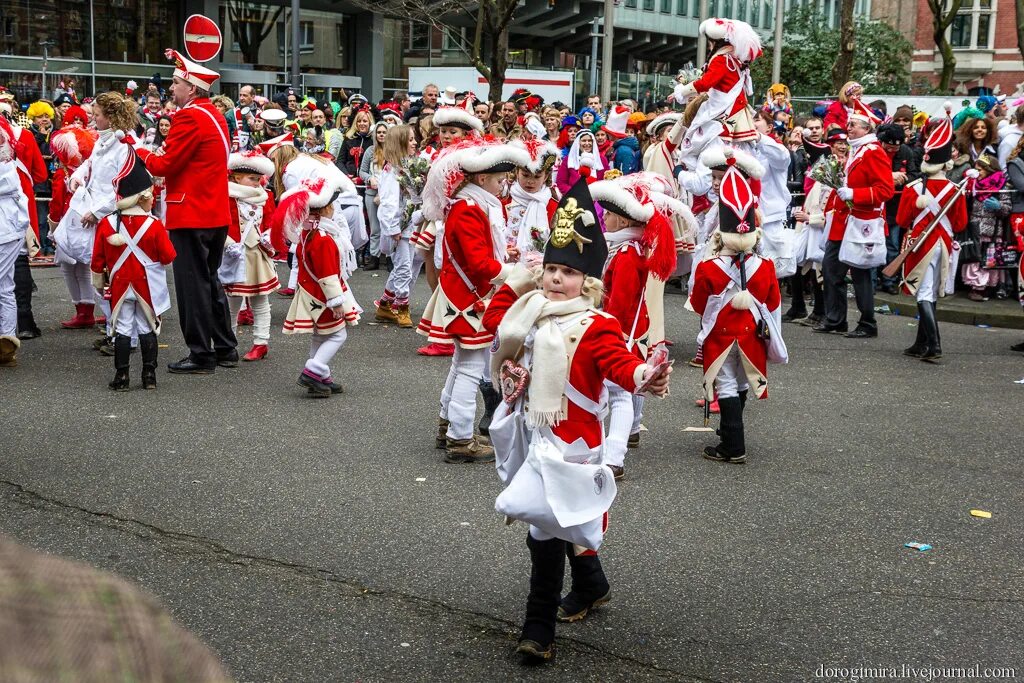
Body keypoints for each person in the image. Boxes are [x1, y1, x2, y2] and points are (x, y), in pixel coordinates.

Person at [482, 179, 672, 665]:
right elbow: (493, 325)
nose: (553, 279)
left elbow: (619, 366)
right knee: (561, 521)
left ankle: (537, 628)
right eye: (549, 269)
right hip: (530, 433)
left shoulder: (597, 324)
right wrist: (518, 282)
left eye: (565, 272)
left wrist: (644, 374)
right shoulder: (530, 310)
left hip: (570, 444)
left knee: (544, 531)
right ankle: (592, 584)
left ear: (586, 282)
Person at [416, 137, 528, 462]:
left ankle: (447, 424)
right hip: (468, 297)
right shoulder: (469, 208)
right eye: (500, 179)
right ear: (481, 179)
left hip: (463, 293)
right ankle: (461, 438)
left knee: (460, 363)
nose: (504, 184)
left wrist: (504, 257)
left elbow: (476, 255)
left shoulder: (471, 204)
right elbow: (479, 264)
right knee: (469, 366)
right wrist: (515, 272)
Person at [136, 49, 236, 374]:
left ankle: (201, 354)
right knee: (210, 282)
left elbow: (165, 164)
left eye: (176, 82)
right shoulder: (214, 114)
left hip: (191, 213)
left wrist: (138, 149)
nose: (172, 88)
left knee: (193, 287)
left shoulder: (189, 116)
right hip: (214, 212)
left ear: (191, 88)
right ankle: (224, 347)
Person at [690, 164, 786, 464]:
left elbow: (696, 302)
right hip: (752, 334)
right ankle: (731, 432)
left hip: (720, 336)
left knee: (727, 384)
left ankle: (733, 444)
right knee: (743, 383)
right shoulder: (766, 265)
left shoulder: (708, 267)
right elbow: (771, 301)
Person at [589, 176, 677, 478]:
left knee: (618, 393)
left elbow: (621, 303)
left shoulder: (626, 254)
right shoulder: (629, 247)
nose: (604, 218)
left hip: (621, 331)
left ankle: (614, 457)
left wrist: (606, 333)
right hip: (633, 331)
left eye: (609, 215)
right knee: (632, 386)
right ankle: (633, 429)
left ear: (624, 218)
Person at [90, 151, 176, 390]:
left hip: (119, 284)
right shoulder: (154, 224)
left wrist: (99, 281)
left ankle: (122, 377)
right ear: (141, 198)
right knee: (148, 327)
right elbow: (168, 256)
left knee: (124, 329)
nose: (153, 200)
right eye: (151, 196)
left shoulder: (107, 223)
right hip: (147, 285)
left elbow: (97, 260)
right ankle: (149, 376)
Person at [274, 174, 362, 397]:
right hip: (322, 296)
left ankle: (322, 377)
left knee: (320, 335)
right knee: (337, 335)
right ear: (324, 210)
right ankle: (313, 372)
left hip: (310, 293)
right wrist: (336, 301)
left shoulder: (308, 232)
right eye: (332, 205)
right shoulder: (323, 237)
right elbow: (328, 275)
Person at [815, 99, 894, 338]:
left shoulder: (874, 152)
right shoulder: (857, 150)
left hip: (861, 222)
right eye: (849, 124)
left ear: (867, 128)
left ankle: (868, 322)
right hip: (844, 221)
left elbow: (885, 190)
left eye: (855, 125)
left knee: (860, 275)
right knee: (831, 270)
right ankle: (836, 318)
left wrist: (855, 194)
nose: (849, 128)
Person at [894, 117, 968, 363]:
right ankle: (921, 342)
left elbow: (903, 220)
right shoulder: (955, 190)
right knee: (931, 293)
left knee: (923, 293)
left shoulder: (913, 188)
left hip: (921, 244)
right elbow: (960, 225)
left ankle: (934, 344)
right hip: (944, 245)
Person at [671, 18, 762, 167]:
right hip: (732, 108)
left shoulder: (722, 59)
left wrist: (681, 91)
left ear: (714, 42)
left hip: (722, 110)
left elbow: (706, 83)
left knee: (704, 145)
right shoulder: (734, 59)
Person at [218, 151, 280, 362]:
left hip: (257, 254)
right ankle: (228, 342)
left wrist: (269, 235)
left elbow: (271, 222)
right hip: (234, 253)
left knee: (260, 301)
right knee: (231, 301)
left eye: (258, 179)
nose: (257, 182)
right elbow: (221, 223)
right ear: (236, 177)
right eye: (251, 178)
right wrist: (227, 243)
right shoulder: (224, 196)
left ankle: (261, 343)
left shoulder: (266, 196)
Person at [47, 125, 102, 330]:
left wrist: (52, 230)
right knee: (86, 268)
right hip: (87, 222)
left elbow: (55, 204)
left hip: (66, 224)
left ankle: (83, 312)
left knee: (69, 269)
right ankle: (89, 310)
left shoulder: (63, 175)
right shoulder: (90, 171)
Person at [374, 125, 420, 328]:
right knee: (403, 268)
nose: (415, 143)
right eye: (410, 140)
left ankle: (385, 304)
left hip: (408, 225)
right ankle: (402, 308)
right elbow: (389, 202)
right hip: (399, 228)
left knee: (408, 266)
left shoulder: (406, 166)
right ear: (400, 143)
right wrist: (393, 229)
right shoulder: (392, 171)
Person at [876, 122, 920, 294]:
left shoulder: (906, 152)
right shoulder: (876, 151)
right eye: (889, 147)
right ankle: (872, 281)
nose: (893, 150)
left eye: (896, 147)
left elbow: (915, 175)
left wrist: (903, 179)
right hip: (877, 206)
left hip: (895, 207)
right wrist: (888, 177)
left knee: (892, 246)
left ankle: (889, 281)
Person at [961, 153, 1011, 300]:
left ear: (989, 169)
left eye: (980, 170)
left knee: (988, 262)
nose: (978, 173)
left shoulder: (1001, 184)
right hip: (975, 229)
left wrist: (998, 206)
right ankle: (976, 287)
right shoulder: (973, 185)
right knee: (974, 261)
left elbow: (1007, 209)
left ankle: (986, 288)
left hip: (993, 231)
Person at [0, 116, 29, 367]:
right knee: (5, 285)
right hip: (8, 231)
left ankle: (7, 341)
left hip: (7, 232)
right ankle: (7, 342)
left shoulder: (7, 169)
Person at [503, 138, 560, 264]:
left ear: (545, 176)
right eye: (525, 175)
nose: (530, 181)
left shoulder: (553, 206)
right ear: (517, 172)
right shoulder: (505, 201)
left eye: (537, 176)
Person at [359, 121, 390, 271]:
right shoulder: (370, 151)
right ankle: (374, 258)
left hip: (389, 195)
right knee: (375, 228)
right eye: (379, 132)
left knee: (389, 226)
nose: (382, 135)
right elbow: (362, 171)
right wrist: (369, 178)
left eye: (384, 132)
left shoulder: (393, 150)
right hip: (372, 193)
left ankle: (390, 258)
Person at [555, 130, 606, 195]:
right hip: (574, 198)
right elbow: (561, 182)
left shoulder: (602, 160)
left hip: (597, 199)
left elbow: (605, 181)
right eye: (584, 141)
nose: (587, 143)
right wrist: (574, 194)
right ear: (578, 143)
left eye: (590, 141)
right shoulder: (569, 159)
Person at [338, 106, 374, 176]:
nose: (361, 124)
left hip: (367, 181)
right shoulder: (349, 138)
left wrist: (364, 178)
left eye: (365, 121)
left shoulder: (373, 140)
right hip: (349, 180)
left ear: (370, 123)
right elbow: (340, 161)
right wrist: (346, 175)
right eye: (359, 121)